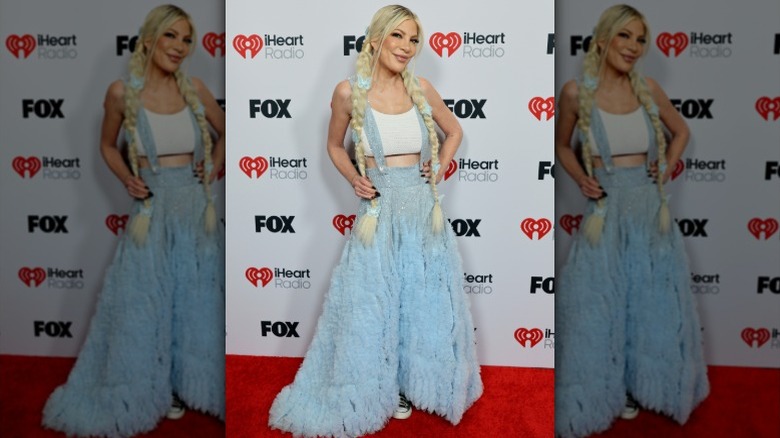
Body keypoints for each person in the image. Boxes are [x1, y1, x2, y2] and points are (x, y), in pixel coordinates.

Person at [268, 5, 482, 437]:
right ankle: (380, 384)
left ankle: (419, 381)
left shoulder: (421, 88)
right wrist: (353, 178)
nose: (406, 47)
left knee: (421, 300)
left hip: (423, 212)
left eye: (414, 39)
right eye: (398, 36)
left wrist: (438, 164)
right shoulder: (349, 92)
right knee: (374, 305)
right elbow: (333, 146)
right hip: (378, 214)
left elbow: (454, 131)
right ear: (376, 38)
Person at [41, 4, 225, 437]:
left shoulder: (196, 88)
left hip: (196, 213)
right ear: (148, 39)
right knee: (147, 306)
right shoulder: (121, 93)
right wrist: (127, 178)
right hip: (152, 213)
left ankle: (189, 383)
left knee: (196, 303)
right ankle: (151, 386)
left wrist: (212, 167)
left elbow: (226, 133)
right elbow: (107, 145)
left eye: (187, 39)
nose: (180, 47)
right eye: (171, 37)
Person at [553, 5, 709, 437]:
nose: (634, 48)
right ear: (603, 40)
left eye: (640, 40)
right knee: (601, 302)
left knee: (651, 302)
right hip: (606, 212)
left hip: (649, 211)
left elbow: (682, 132)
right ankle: (608, 387)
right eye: (625, 37)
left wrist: (667, 164)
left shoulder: (648, 89)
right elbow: (562, 146)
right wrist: (581, 177)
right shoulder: (574, 93)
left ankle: (647, 383)